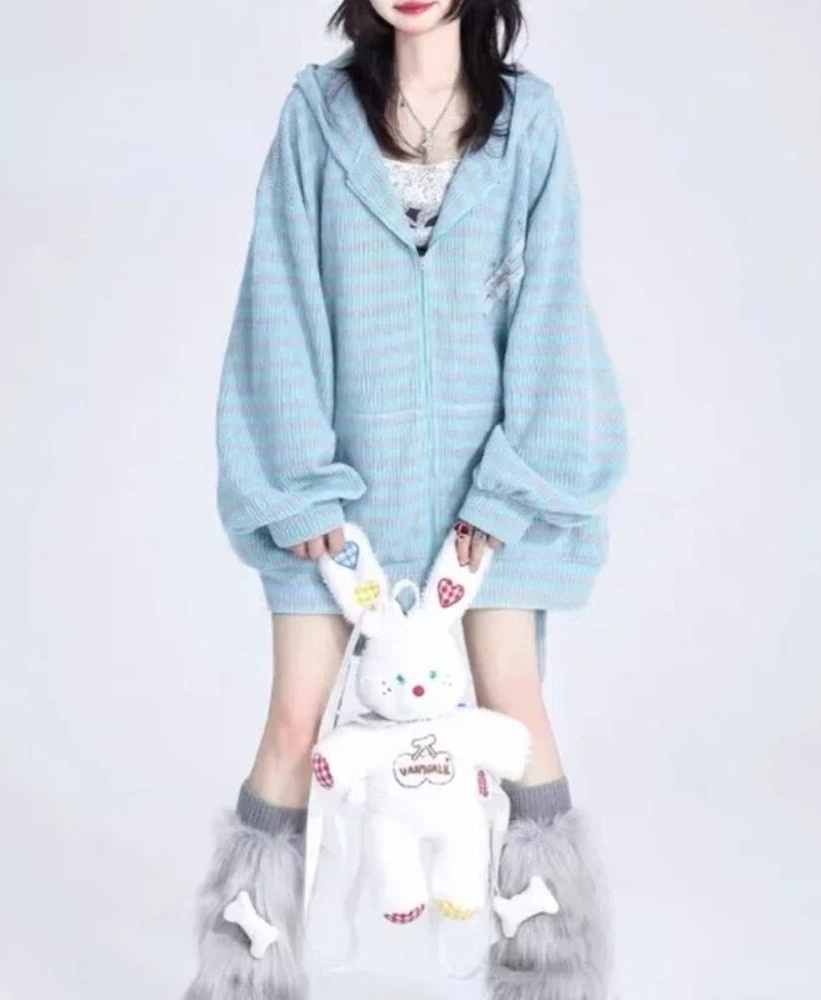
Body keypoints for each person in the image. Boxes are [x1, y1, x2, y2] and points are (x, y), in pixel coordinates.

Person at [184, 2, 628, 998]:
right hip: (338, 499)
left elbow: (552, 314)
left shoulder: (529, 124)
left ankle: (551, 978)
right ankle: (239, 981)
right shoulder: (317, 116)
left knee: (515, 713)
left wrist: (503, 500)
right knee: (293, 728)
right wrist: (303, 490)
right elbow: (278, 301)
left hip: (493, 499)